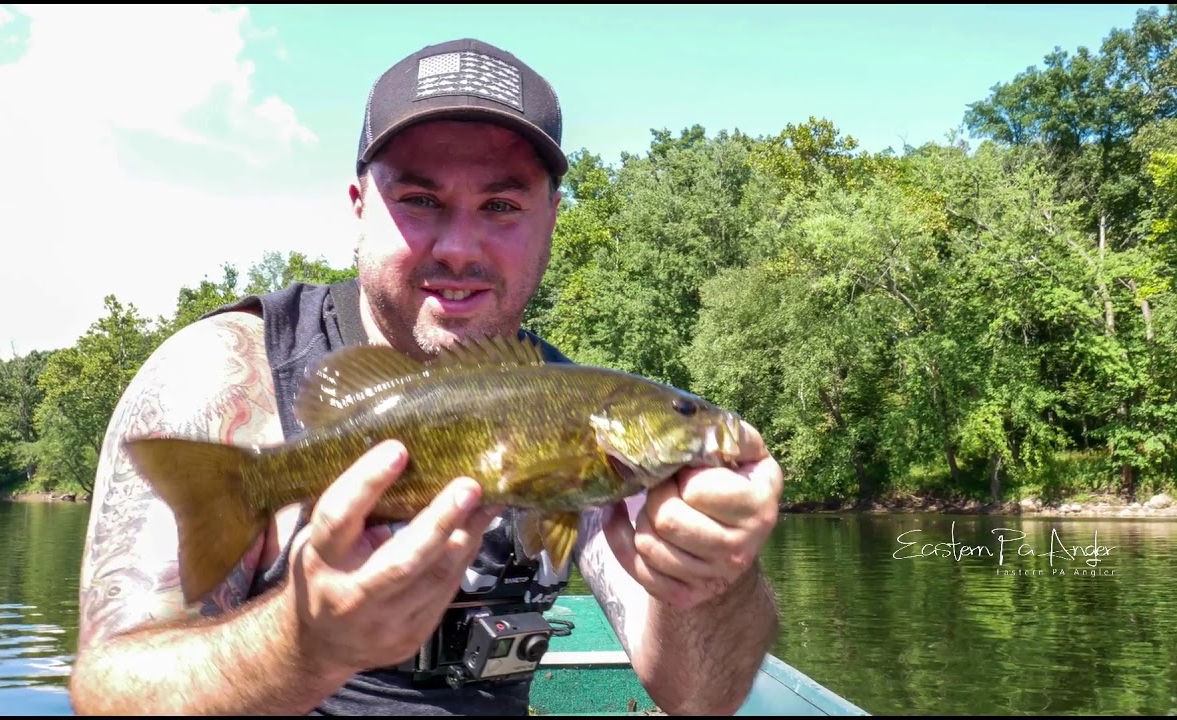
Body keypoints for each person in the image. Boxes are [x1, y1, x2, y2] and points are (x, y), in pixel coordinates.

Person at [67, 37, 782, 716]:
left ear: (552, 220)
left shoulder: (569, 403)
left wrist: (716, 578)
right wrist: (303, 645)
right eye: (420, 201)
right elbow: (111, 693)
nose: (458, 246)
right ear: (359, 209)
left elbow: (700, 699)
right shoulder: (226, 373)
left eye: (501, 205)